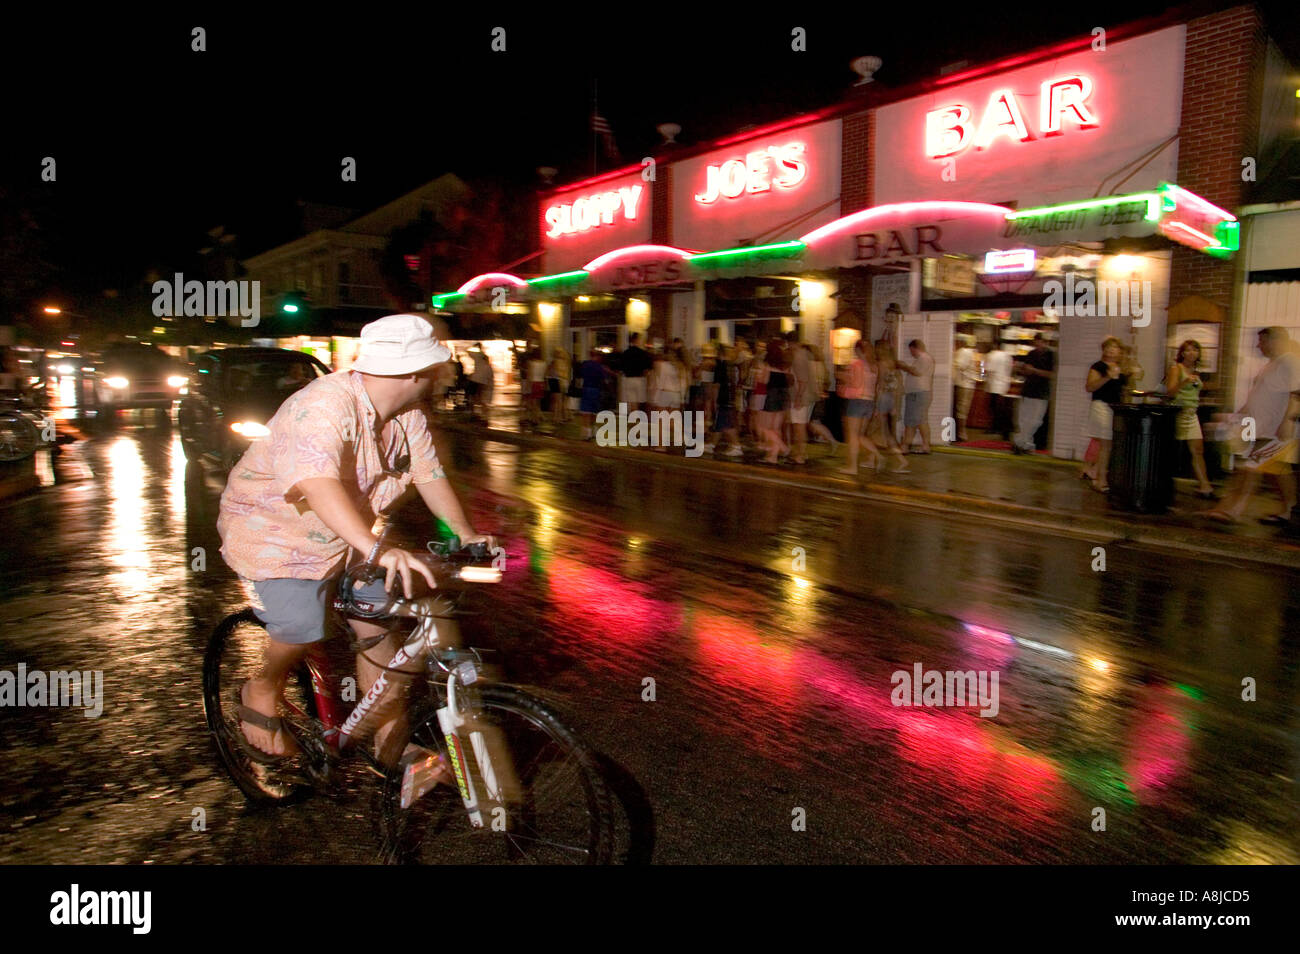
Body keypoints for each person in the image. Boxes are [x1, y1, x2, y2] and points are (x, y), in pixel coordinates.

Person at [217, 314, 493, 768]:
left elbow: (429, 474)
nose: (441, 375)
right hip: (276, 532)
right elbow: (317, 483)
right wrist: (377, 548)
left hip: (351, 533)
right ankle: (262, 686)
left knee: (379, 630)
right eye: (435, 368)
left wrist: (465, 533)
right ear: (413, 373)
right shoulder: (323, 406)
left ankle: (389, 743)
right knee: (302, 623)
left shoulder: (407, 416)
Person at [1205, 327, 1300, 524]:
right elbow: (1258, 396)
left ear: (1275, 340)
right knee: (1278, 472)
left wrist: (1287, 422)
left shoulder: (1290, 361)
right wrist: (1235, 416)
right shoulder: (1272, 364)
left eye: (1262, 341)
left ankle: (1233, 511)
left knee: (1250, 467)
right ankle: (1290, 509)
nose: (1259, 346)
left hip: (1276, 431)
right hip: (1260, 428)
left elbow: (1297, 393)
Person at [1165, 340, 1216, 499]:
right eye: (1188, 350)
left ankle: (1205, 486)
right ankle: (1165, 482)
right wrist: (1184, 382)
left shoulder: (1195, 370)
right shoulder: (1176, 369)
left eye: (1195, 350)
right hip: (1179, 412)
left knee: (1198, 450)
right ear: (1182, 353)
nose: (1192, 353)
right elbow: (1170, 392)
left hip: (1192, 413)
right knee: (1173, 450)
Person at [1080, 336, 1127, 493]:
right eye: (1108, 347)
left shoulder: (1120, 368)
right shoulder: (1098, 366)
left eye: (1115, 347)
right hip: (1101, 406)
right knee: (1106, 444)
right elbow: (1090, 387)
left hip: (1115, 408)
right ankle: (1101, 480)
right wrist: (1107, 376)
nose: (1111, 350)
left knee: (1107, 445)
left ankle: (1096, 473)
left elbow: (1122, 390)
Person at [835, 339, 883, 475]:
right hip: (869, 402)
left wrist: (845, 379)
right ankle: (875, 456)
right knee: (861, 435)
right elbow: (876, 387)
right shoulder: (874, 366)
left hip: (857, 401)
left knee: (853, 436)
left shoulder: (856, 364)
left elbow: (856, 384)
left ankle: (852, 467)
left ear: (857, 350)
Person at [1012, 333, 1054, 454]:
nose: (1038, 344)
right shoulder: (1031, 354)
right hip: (1028, 390)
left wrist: (1033, 370)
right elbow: (1024, 371)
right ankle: (1026, 444)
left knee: (1035, 420)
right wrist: (1020, 369)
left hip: (1041, 392)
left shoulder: (1050, 356)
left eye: (1041, 341)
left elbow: (1051, 374)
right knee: (1024, 418)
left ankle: (1021, 442)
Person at [872, 340, 909, 472]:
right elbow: (898, 386)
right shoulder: (893, 364)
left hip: (883, 398)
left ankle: (900, 460)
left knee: (883, 432)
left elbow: (880, 384)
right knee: (883, 431)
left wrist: (876, 405)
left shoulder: (881, 364)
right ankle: (873, 459)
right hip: (892, 399)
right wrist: (895, 406)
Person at [898, 339, 935, 454]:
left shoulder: (924, 358)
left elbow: (916, 372)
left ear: (914, 348)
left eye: (911, 351)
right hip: (920, 393)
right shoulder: (924, 359)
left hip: (918, 394)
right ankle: (924, 445)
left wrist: (903, 366)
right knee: (920, 420)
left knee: (912, 420)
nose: (911, 353)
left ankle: (905, 446)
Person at [576, 348, 612, 440]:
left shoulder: (585, 364)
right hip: (596, 390)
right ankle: (593, 430)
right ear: (597, 356)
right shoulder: (600, 367)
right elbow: (606, 380)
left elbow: (579, 376)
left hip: (586, 389)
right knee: (594, 412)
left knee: (585, 412)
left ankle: (586, 433)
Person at [984, 344, 1013, 443]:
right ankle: (1003, 430)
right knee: (1002, 409)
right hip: (1004, 385)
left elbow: (988, 370)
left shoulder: (992, 355)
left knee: (995, 409)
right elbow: (1010, 370)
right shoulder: (1007, 356)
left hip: (994, 385)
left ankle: (996, 428)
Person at [953, 336, 979, 441]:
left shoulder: (964, 352)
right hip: (967, 384)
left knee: (961, 410)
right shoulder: (969, 352)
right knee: (962, 410)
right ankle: (960, 433)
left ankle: (961, 433)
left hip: (964, 384)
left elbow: (960, 366)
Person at [618, 333, 653, 413]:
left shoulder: (626, 353)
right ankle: (635, 418)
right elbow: (648, 370)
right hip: (640, 379)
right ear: (638, 340)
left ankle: (632, 418)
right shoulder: (643, 353)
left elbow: (621, 368)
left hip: (628, 379)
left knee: (631, 401)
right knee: (638, 402)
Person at [547, 347, 571, 425]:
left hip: (557, 381)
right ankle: (558, 418)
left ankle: (556, 417)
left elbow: (551, 373)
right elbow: (560, 374)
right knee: (559, 401)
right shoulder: (558, 362)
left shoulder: (555, 362)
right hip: (558, 381)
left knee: (557, 401)